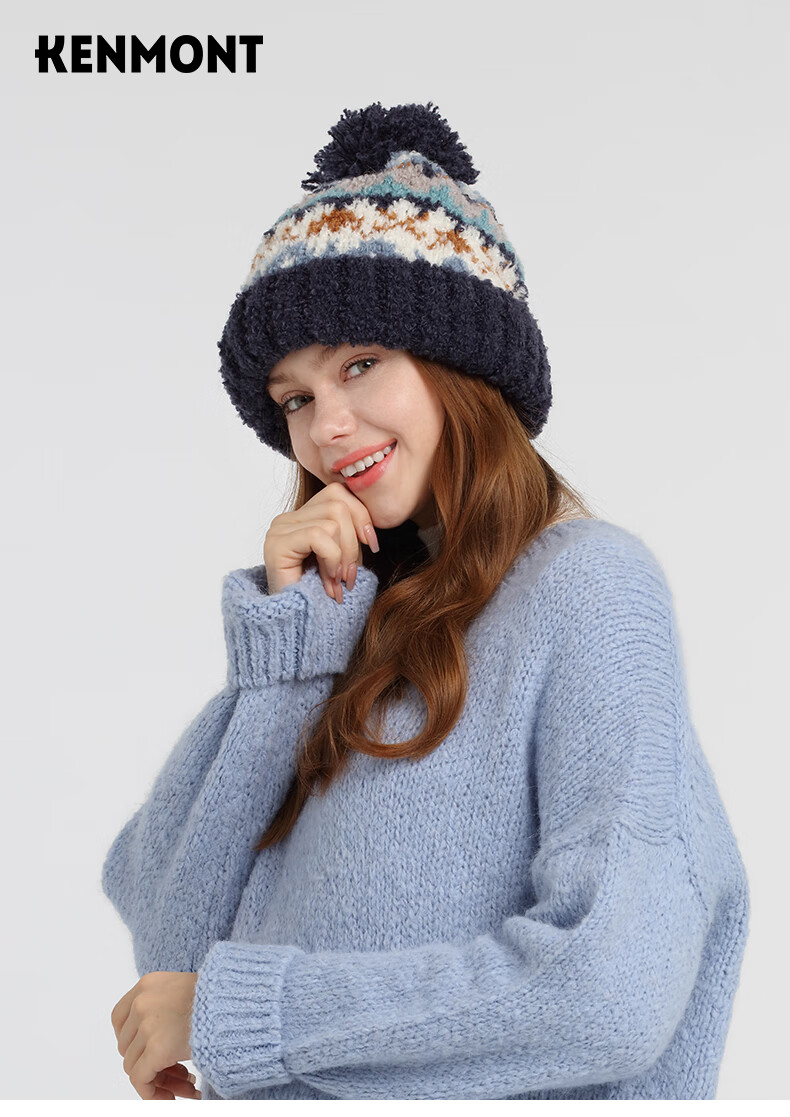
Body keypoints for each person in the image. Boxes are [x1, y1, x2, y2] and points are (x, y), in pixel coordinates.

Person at [101, 101, 750, 1102]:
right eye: (295, 398)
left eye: (360, 364)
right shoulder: (340, 625)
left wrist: (251, 1013)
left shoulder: (590, 589)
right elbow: (173, 964)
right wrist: (286, 660)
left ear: (460, 366)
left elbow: (609, 991)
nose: (326, 426)